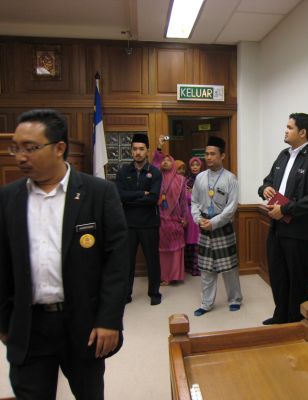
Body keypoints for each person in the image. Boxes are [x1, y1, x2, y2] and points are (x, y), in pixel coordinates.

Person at [0, 109, 129, 399]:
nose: (21, 157)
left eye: (30, 148)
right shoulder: (7, 198)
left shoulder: (99, 193)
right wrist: (4, 322)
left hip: (83, 323)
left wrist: (109, 319)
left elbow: (117, 262)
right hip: (29, 326)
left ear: (59, 148)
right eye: (16, 148)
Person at [258, 113, 308, 324]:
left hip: (299, 232)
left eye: (290, 127)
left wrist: (285, 209)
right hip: (276, 226)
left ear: (303, 132)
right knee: (278, 274)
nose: (285, 130)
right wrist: (265, 189)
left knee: (297, 278)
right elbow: (267, 181)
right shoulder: (283, 155)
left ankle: (295, 322)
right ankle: (280, 316)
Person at [191, 136, 242, 316]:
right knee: (206, 269)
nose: (208, 157)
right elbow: (194, 202)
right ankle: (206, 304)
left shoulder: (230, 178)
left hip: (222, 227)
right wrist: (198, 219)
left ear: (222, 156)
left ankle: (235, 299)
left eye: (213, 154)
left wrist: (213, 223)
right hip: (204, 226)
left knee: (229, 268)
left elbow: (231, 208)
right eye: (206, 154)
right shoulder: (200, 177)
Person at [116, 133, 163, 305]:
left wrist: (132, 197)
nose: (138, 152)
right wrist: (141, 193)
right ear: (131, 151)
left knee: (152, 260)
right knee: (127, 262)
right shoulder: (123, 172)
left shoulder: (155, 172)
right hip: (129, 224)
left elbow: (153, 198)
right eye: (135, 149)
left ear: (147, 151)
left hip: (149, 223)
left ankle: (154, 293)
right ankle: (126, 294)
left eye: (141, 149)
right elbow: (120, 195)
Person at [152, 137, 188, 285]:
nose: (165, 162)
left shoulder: (180, 179)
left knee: (176, 248)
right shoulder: (156, 176)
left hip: (175, 219)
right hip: (160, 218)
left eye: (169, 160)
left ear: (174, 164)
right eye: (163, 160)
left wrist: (185, 217)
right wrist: (159, 147)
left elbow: (183, 200)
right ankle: (164, 276)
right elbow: (154, 164)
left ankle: (175, 276)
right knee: (162, 249)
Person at [184, 157, 202, 276]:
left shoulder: (205, 179)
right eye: (192, 165)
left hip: (200, 213)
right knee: (188, 240)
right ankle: (189, 267)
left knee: (198, 241)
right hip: (188, 213)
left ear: (200, 166)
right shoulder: (186, 180)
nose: (195, 167)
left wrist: (191, 195)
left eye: (197, 165)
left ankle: (198, 268)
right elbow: (184, 198)